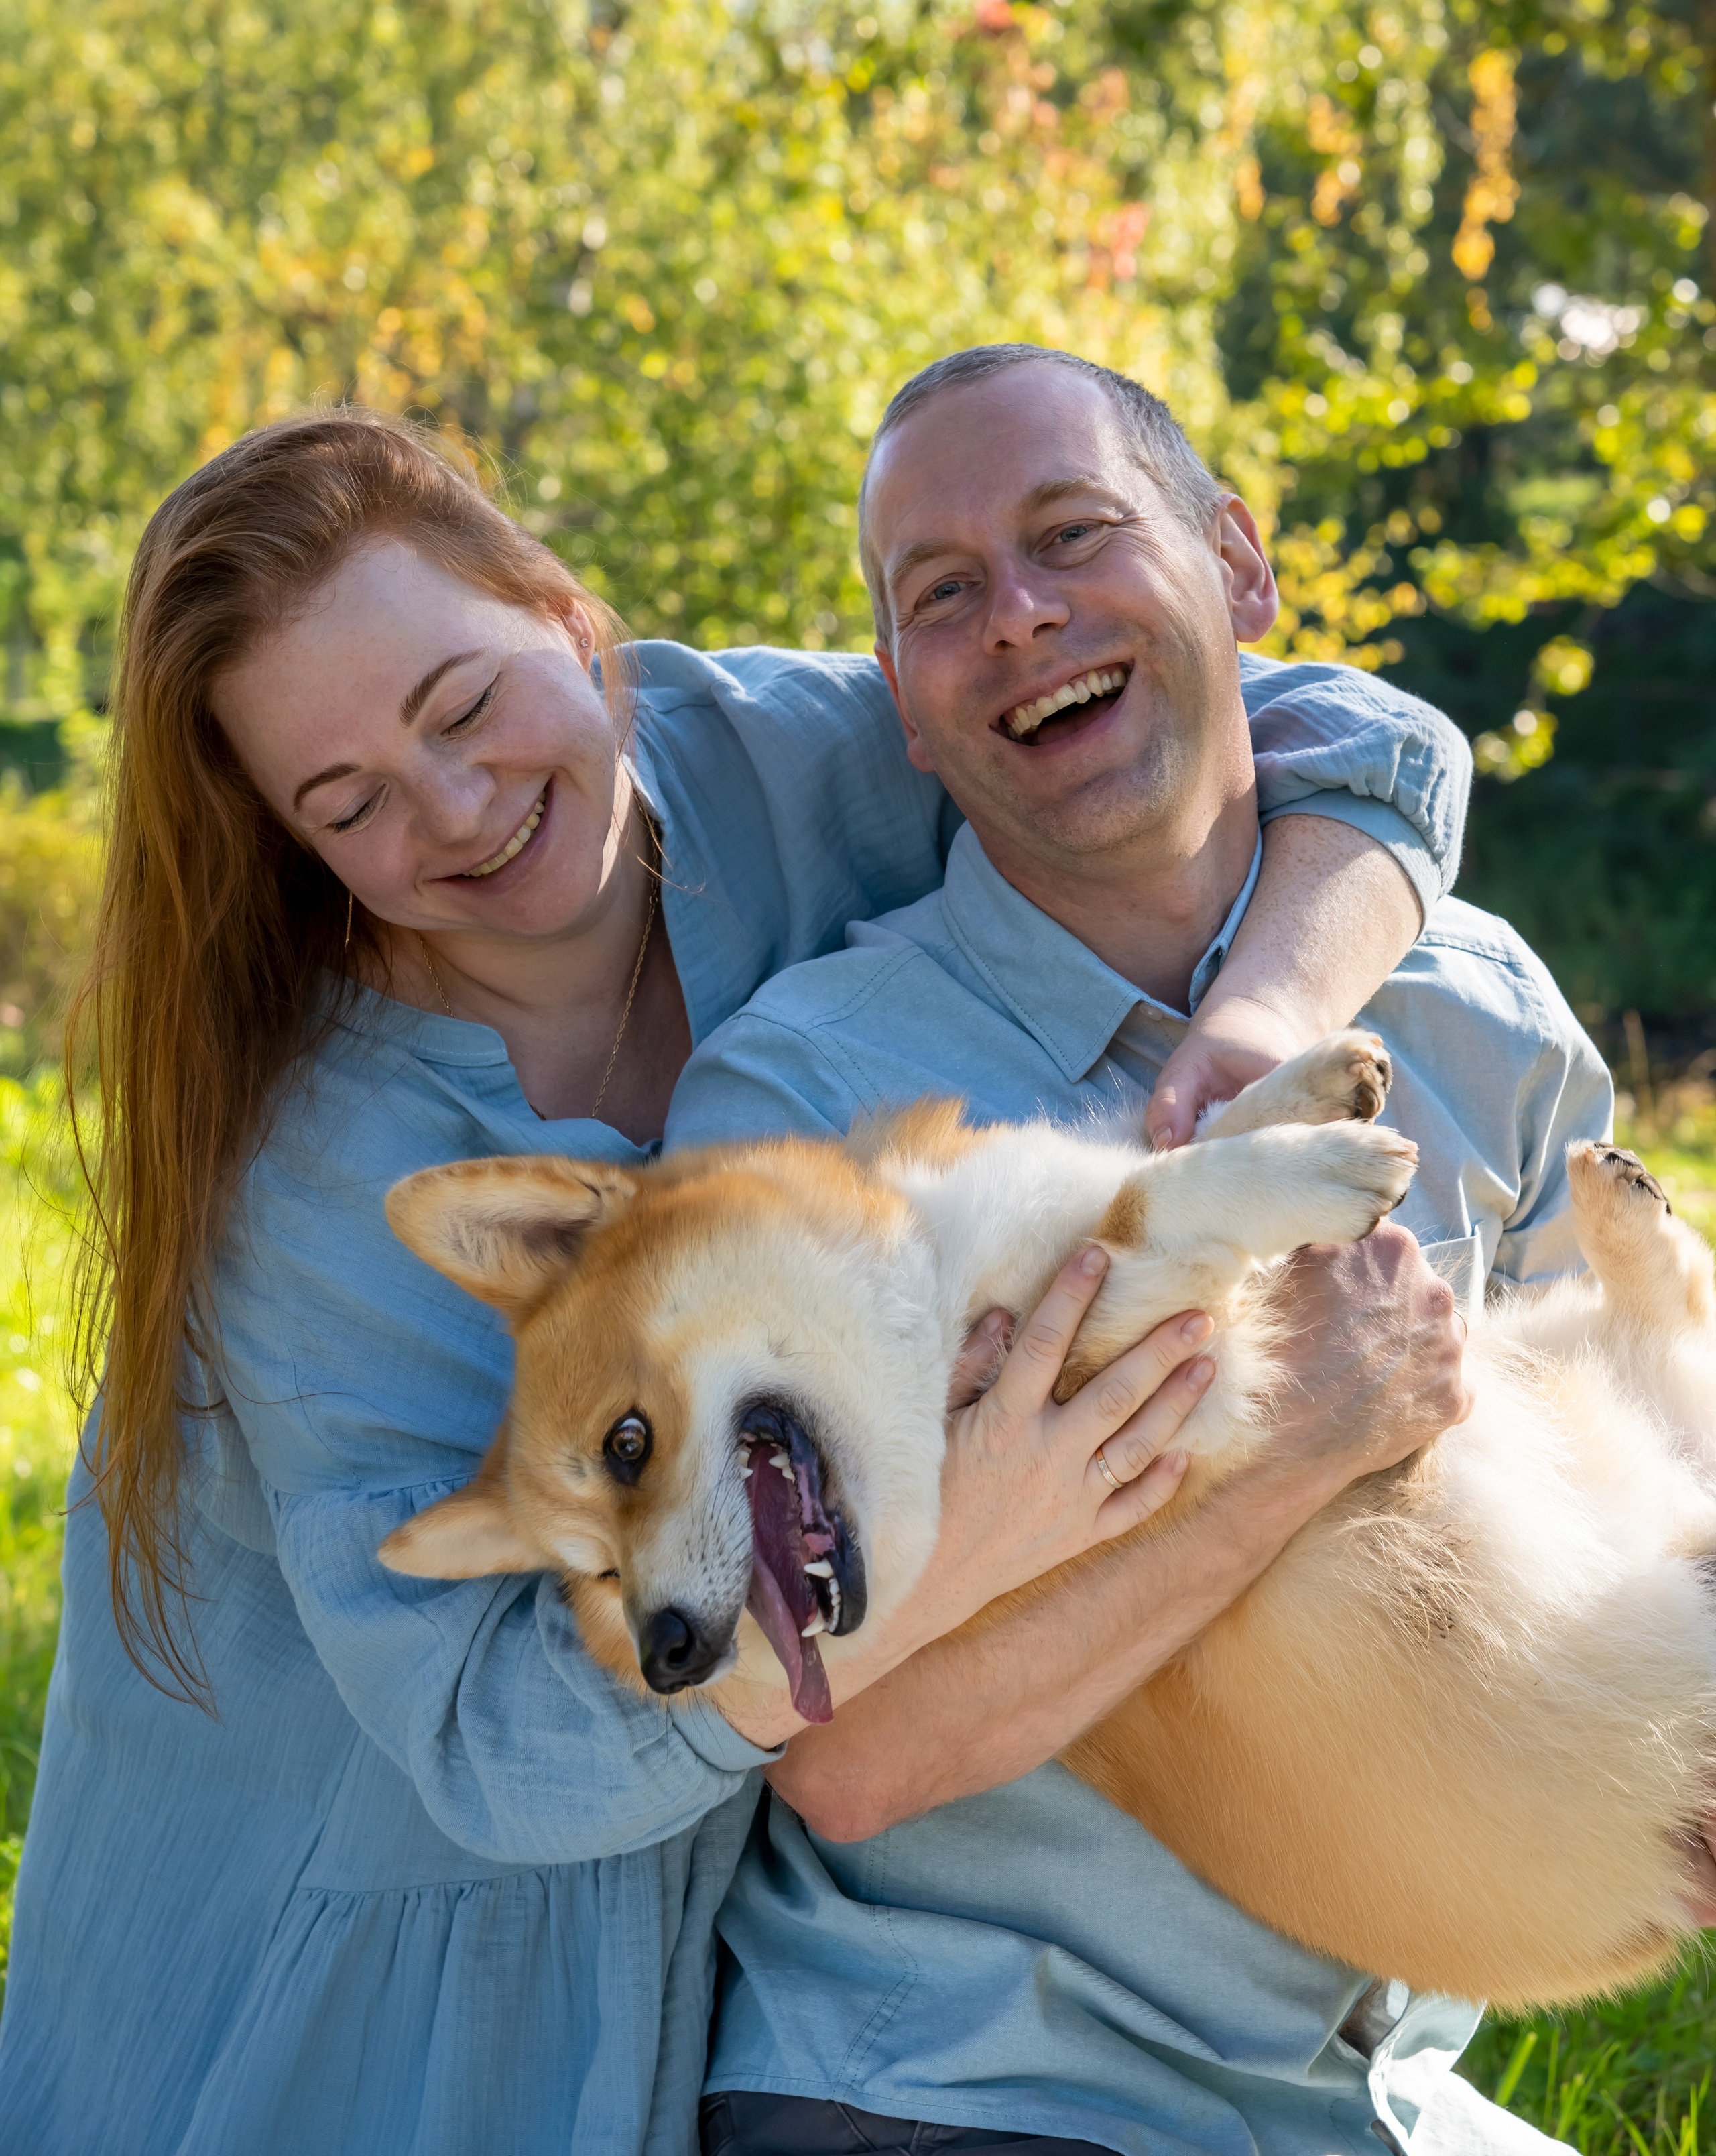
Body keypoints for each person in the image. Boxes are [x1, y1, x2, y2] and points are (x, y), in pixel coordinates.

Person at [2, 405, 1469, 2156]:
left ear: (561, 617)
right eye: (350, 804)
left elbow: (1319, 729)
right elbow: (495, 1743)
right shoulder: (317, 1178)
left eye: (466, 705)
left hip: (736, 1924)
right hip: (351, 1950)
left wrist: (1266, 1020)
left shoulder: (772, 762)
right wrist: (938, 1576)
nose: (459, 809)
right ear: (294, 848)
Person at [662, 347, 1644, 2156]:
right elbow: (843, 1755)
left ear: (1241, 570)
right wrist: (1294, 1444)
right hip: (961, 2075)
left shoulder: (1477, 1008)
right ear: (904, 700)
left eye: (1073, 535)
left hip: (1382, 2095)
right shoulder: (801, 1110)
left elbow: (1619, 1456)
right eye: (943, 596)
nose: (1022, 618)